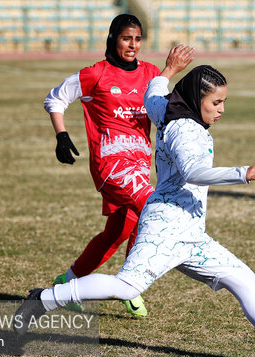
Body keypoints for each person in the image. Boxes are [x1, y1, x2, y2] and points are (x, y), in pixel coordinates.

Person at [16, 46, 255, 357]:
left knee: (243, 277)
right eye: (216, 103)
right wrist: (242, 173)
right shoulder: (186, 131)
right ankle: (43, 300)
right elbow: (193, 171)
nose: (221, 110)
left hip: (190, 232)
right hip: (165, 227)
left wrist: (168, 70)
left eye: (224, 102)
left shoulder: (166, 108)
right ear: (197, 99)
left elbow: (153, 94)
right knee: (126, 287)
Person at [42, 14, 161, 317]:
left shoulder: (150, 72)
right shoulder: (97, 74)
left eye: (137, 38)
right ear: (112, 39)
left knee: (119, 232)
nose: (133, 45)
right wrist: (62, 135)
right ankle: (129, 284)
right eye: (126, 38)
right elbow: (55, 98)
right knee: (154, 209)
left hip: (139, 165)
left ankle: (67, 283)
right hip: (110, 165)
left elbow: (163, 110)